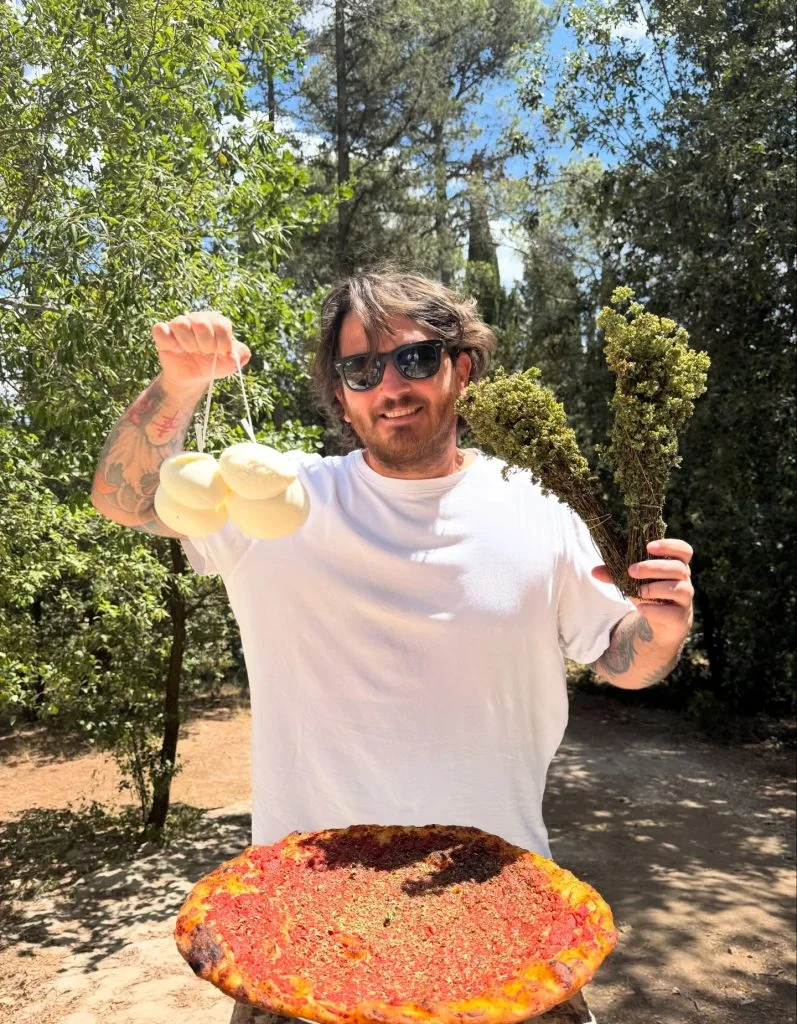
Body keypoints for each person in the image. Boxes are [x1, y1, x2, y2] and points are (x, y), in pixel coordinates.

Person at [91, 271, 694, 1024]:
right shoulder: (276, 501)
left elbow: (622, 660)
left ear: (461, 368)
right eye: (361, 369)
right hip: (296, 924)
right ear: (340, 394)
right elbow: (122, 497)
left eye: (414, 358)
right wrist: (180, 384)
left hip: (502, 913)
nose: (390, 386)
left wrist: (661, 627)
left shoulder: (539, 508)